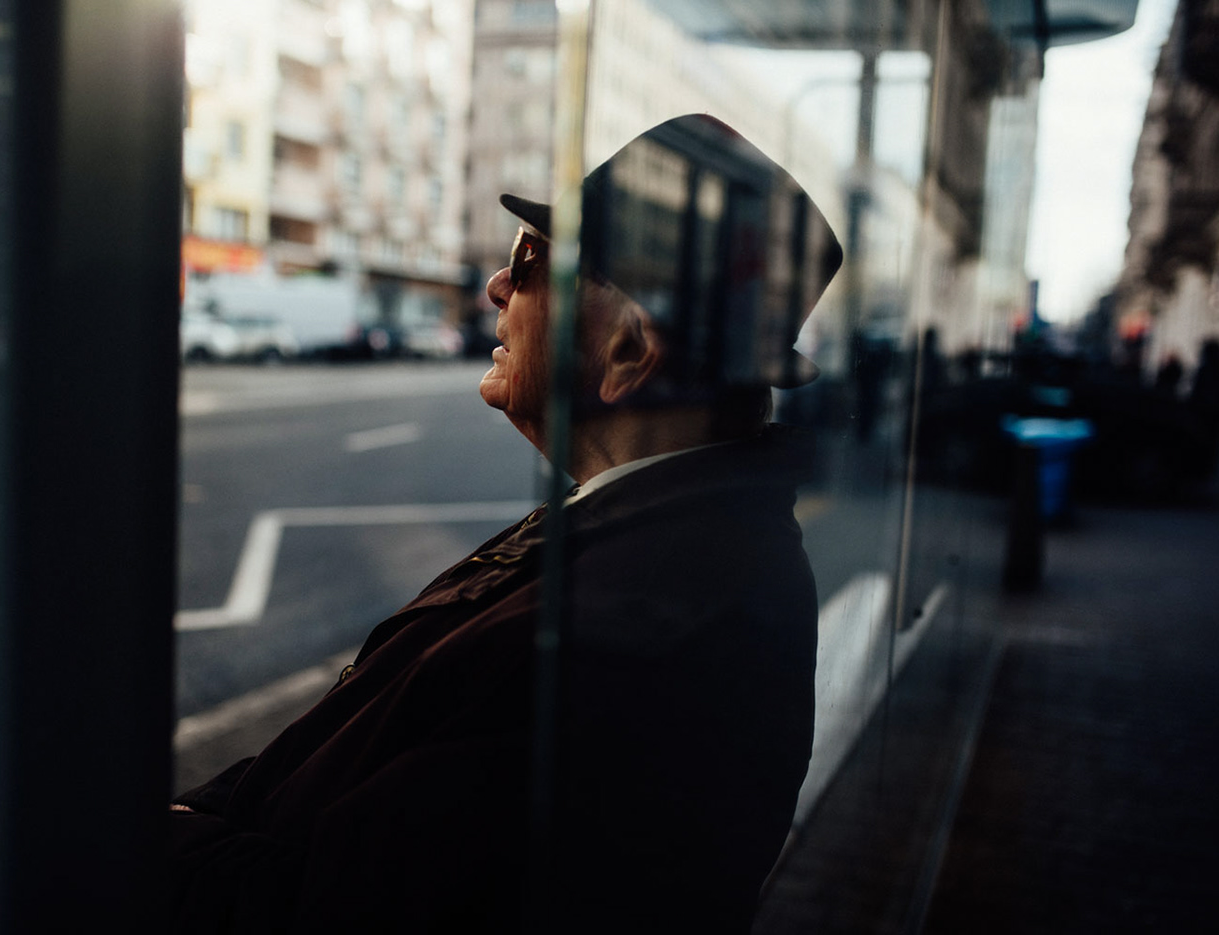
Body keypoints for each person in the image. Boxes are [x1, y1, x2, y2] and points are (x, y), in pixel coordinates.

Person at [168, 114, 842, 933]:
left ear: (631, 351)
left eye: (529, 260)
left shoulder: (620, 634)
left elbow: (312, 910)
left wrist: (160, 837)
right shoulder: (662, 539)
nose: (496, 284)